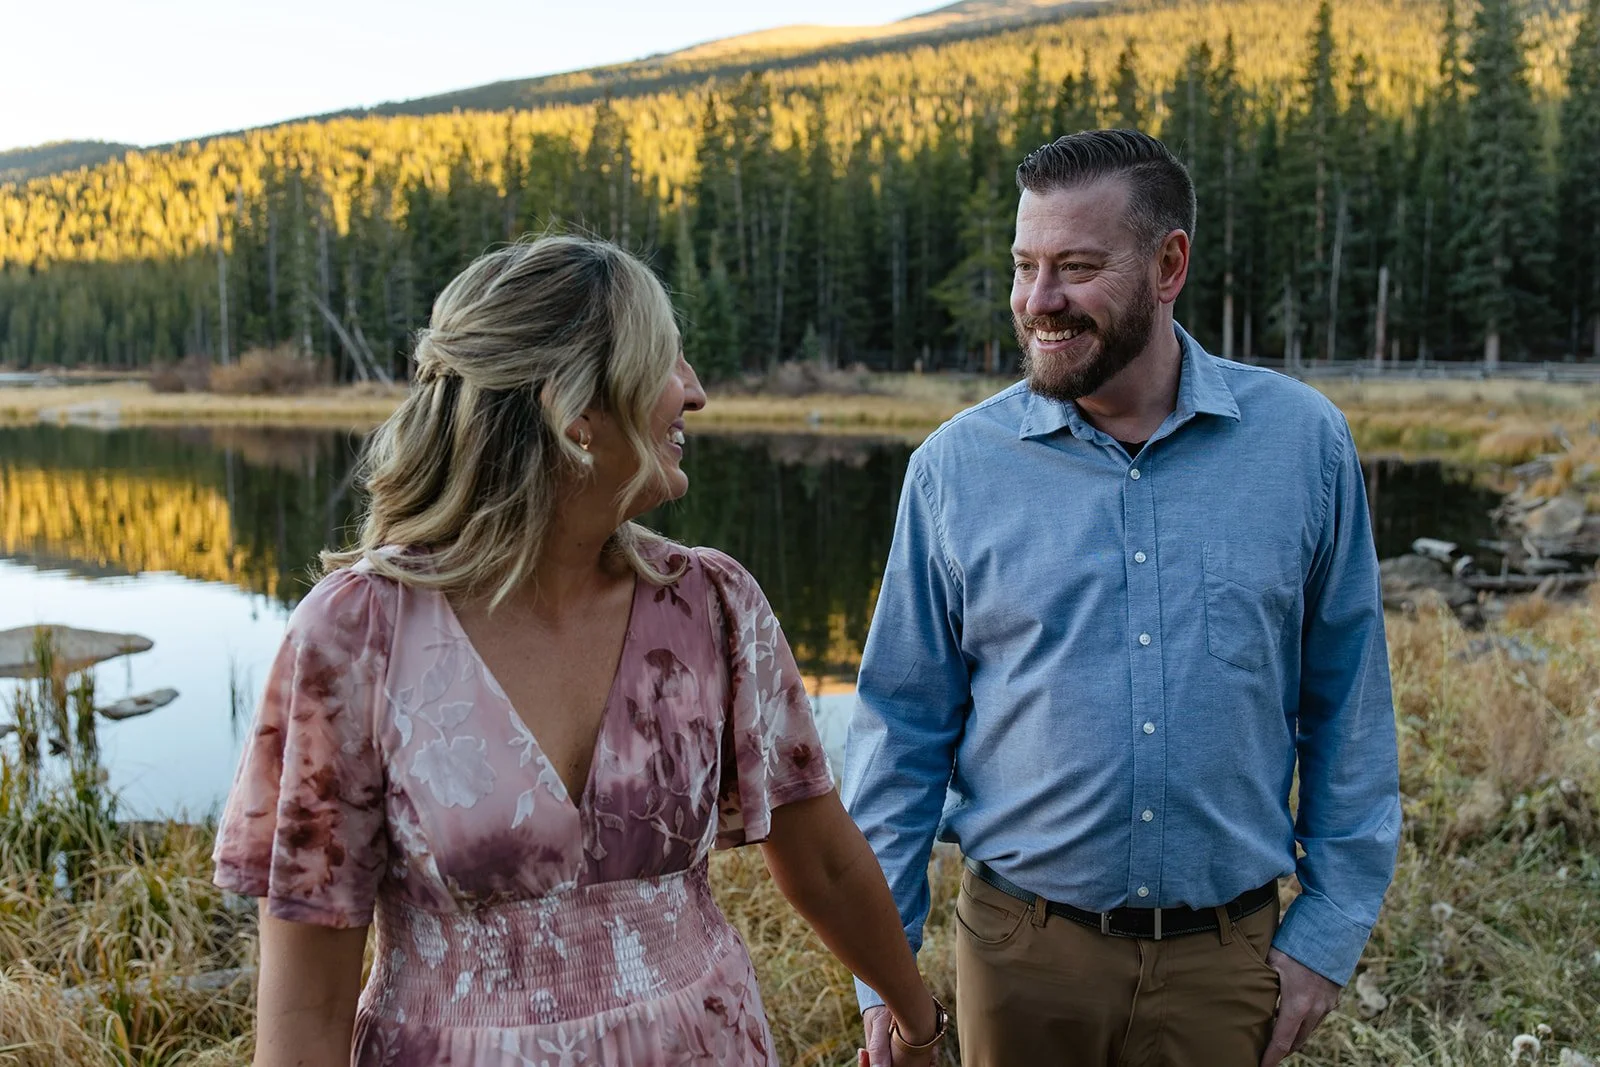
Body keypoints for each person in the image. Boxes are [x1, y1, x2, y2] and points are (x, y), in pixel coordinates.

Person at [213, 234, 945, 1067]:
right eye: (668, 362)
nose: (695, 393)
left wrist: (917, 1021)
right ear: (579, 414)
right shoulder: (355, 636)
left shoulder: (712, 606)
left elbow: (824, 861)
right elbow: (309, 997)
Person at [844, 129, 1401, 1067]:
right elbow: (898, 731)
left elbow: (1348, 703)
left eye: (1076, 266)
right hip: (1020, 963)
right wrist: (883, 972)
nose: (1037, 302)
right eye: (1024, 265)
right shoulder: (953, 471)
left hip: (1230, 966)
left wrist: (1328, 931)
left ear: (1169, 263)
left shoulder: (1303, 445)